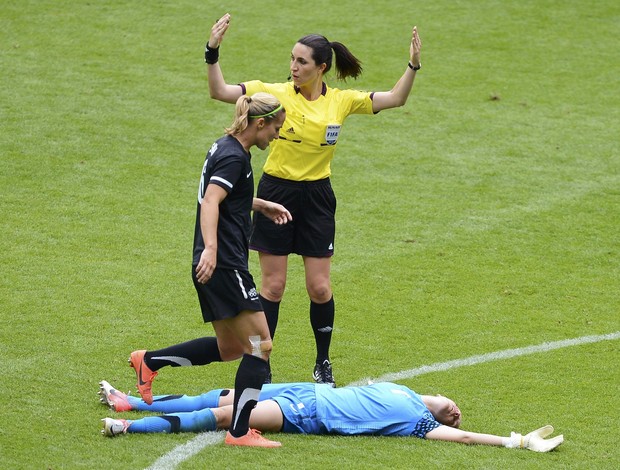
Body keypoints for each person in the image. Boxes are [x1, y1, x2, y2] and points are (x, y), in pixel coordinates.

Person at [128, 14, 424, 390]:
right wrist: (212, 50)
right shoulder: (274, 93)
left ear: (322, 67)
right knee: (274, 286)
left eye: (301, 62)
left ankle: (322, 361)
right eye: (292, 59)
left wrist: (413, 64)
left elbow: (396, 98)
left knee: (319, 287)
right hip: (274, 192)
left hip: (317, 197)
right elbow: (219, 92)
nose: (293, 67)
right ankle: (262, 363)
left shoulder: (341, 102)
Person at [132, 92, 290, 448]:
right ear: (259, 123)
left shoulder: (225, 147)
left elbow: (227, 195)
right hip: (224, 264)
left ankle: (149, 361)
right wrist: (213, 249)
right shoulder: (235, 158)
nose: (276, 136)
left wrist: (260, 205)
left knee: (231, 347)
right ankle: (238, 432)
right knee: (260, 346)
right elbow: (212, 201)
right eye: (276, 128)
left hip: (216, 264)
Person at [98, 380, 564, 453]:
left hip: (307, 411)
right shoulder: (409, 395)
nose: (455, 413)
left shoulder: (417, 423)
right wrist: (437, 399)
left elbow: (460, 439)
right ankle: (129, 402)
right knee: (219, 393)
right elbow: (437, 400)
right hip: (304, 389)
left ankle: (127, 426)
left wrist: (515, 442)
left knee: (221, 415)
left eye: (454, 416)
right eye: (452, 407)